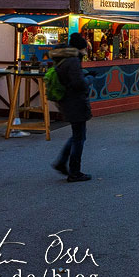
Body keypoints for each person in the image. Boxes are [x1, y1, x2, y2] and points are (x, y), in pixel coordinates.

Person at [50, 33, 93, 182]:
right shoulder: (73, 61)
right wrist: (89, 78)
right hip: (75, 102)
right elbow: (78, 84)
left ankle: (62, 162)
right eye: (84, 49)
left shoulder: (62, 59)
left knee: (77, 135)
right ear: (80, 48)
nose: (85, 52)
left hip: (67, 102)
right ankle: (74, 171)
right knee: (79, 137)